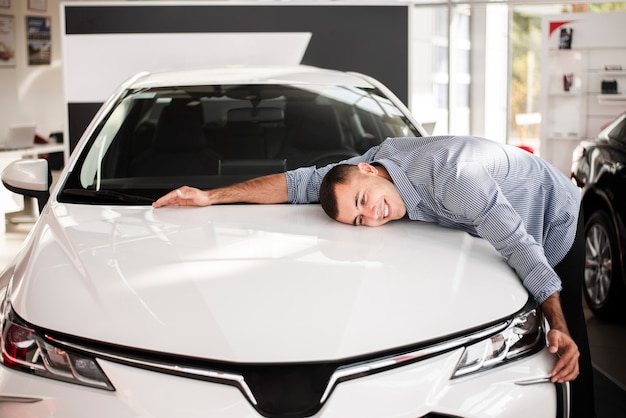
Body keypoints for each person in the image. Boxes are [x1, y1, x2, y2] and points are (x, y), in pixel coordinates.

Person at [153, 135, 594, 417]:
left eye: (365, 201)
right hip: (508, 224)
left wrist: (555, 319)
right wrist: (211, 196)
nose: (373, 215)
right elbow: (297, 183)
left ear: (368, 171)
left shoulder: (454, 178)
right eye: (360, 219)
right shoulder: (373, 165)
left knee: (569, 351)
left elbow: (517, 242)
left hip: (550, 219)